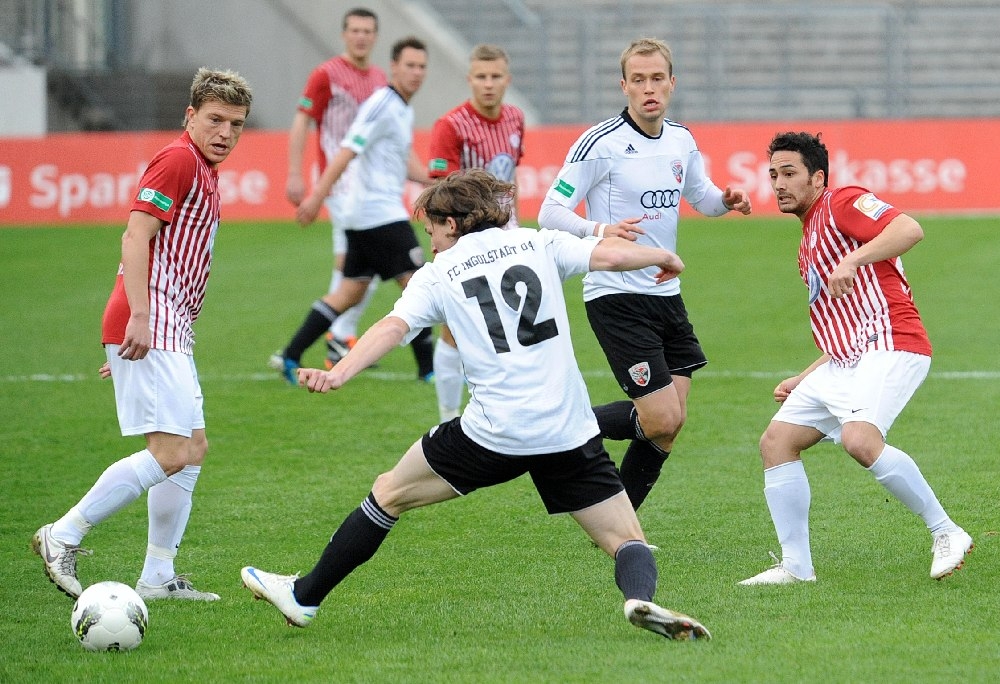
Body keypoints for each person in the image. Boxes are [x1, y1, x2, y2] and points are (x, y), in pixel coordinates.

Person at [240, 169, 710, 641]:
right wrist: (662, 255)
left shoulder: (439, 273)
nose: (430, 242)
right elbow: (610, 254)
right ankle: (639, 598)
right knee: (626, 539)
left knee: (389, 493)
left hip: (493, 433)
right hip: (567, 429)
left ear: (451, 223)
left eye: (431, 230)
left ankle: (305, 596)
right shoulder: (536, 242)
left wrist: (340, 372)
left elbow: (392, 328)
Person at [31, 68, 254, 601]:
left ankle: (157, 576)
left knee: (193, 449)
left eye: (236, 124)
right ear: (190, 116)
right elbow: (135, 235)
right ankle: (63, 534)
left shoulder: (204, 169)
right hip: (154, 321)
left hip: (167, 328)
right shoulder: (178, 160)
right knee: (172, 451)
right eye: (215, 119)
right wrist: (138, 317)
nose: (225, 132)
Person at [739, 131, 973, 585]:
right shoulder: (808, 240)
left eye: (789, 173)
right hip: (846, 359)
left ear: (817, 177)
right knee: (777, 442)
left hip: (892, 343)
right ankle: (796, 567)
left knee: (860, 440)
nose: (779, 184)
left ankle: (946, 531)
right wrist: (804, 375)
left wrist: (852, 261)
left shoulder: (841, 201)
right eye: (773, 175)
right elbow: (843, 327)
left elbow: (909, 229)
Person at [538, 38, 751, 511]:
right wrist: (599, 229)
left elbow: (700, 196)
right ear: (624, 86)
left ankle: (621, 524)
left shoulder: (681, 139)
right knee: (660, 419)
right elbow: (550, 211)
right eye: (639, 80)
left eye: (657, 78)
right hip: (615, 295)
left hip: (666, 293)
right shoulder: (600, 143)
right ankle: (561, 428)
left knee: (669, 425)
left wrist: (726, 201)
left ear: (672, 83)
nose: (649, 88)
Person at [272, 36, 435, 383]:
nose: (417, 73)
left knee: (349, 292)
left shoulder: (401, 108)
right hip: (378, 213)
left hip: (365, 214)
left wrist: (440, 181)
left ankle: (290, 354)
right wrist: (317, 196)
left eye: (422, 67)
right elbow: (347, 150)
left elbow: (403, 163)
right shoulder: (382, 104)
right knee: (419, 285)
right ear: (393, 67)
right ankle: (429, 370)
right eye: (410, 65)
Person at [276, 7, 387, 377]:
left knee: (357, 267)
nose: (361, 37)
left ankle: (335, 337)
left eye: (367, 31)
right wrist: (295, 174)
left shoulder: (379, 78)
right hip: (340, 186)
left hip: (372, 186)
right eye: (355, 30)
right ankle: (338, 335)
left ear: (375, 36)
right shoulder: (326, 74)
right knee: (365, 264)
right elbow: (302, 121)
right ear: (344, 34)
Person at [426, 43, 525, 422]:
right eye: (481, 77)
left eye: (495, 76)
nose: (488, 84)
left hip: (507, 242)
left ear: (507, 79)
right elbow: (440, 195)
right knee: (455, 329)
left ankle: (499, 407)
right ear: (469, 79)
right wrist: (443, 245)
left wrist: (516, 227)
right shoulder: (451, 126)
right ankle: (448, 417)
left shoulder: (515, 118)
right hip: (464, 242)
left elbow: (511, 179)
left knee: (508, 325)